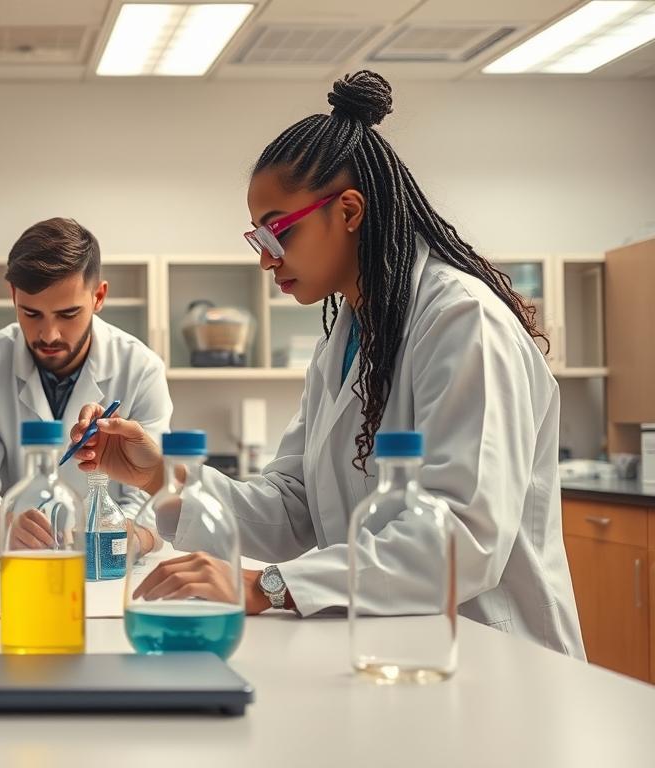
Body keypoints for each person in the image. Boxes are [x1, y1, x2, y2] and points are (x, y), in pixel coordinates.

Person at [69, 71, 583, 658]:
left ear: (349, 210)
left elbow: (463, 538)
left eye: (278, 231)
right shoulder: (348, 337)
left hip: (495, 655)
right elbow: (294, 507)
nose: (267, 258)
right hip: (388, 649)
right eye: (257, 237)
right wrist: (160, 475)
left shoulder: (463, 322)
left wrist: (270, 585)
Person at [0, 217, 169, 552]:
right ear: (13, 296)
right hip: (15, 567)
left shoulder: (141, 369)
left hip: (110, 569)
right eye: (32, 314)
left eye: (67, 314)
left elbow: (151, 497)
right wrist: (2, 526)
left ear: (99, 296)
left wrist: (119, 539)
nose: (48, 335)